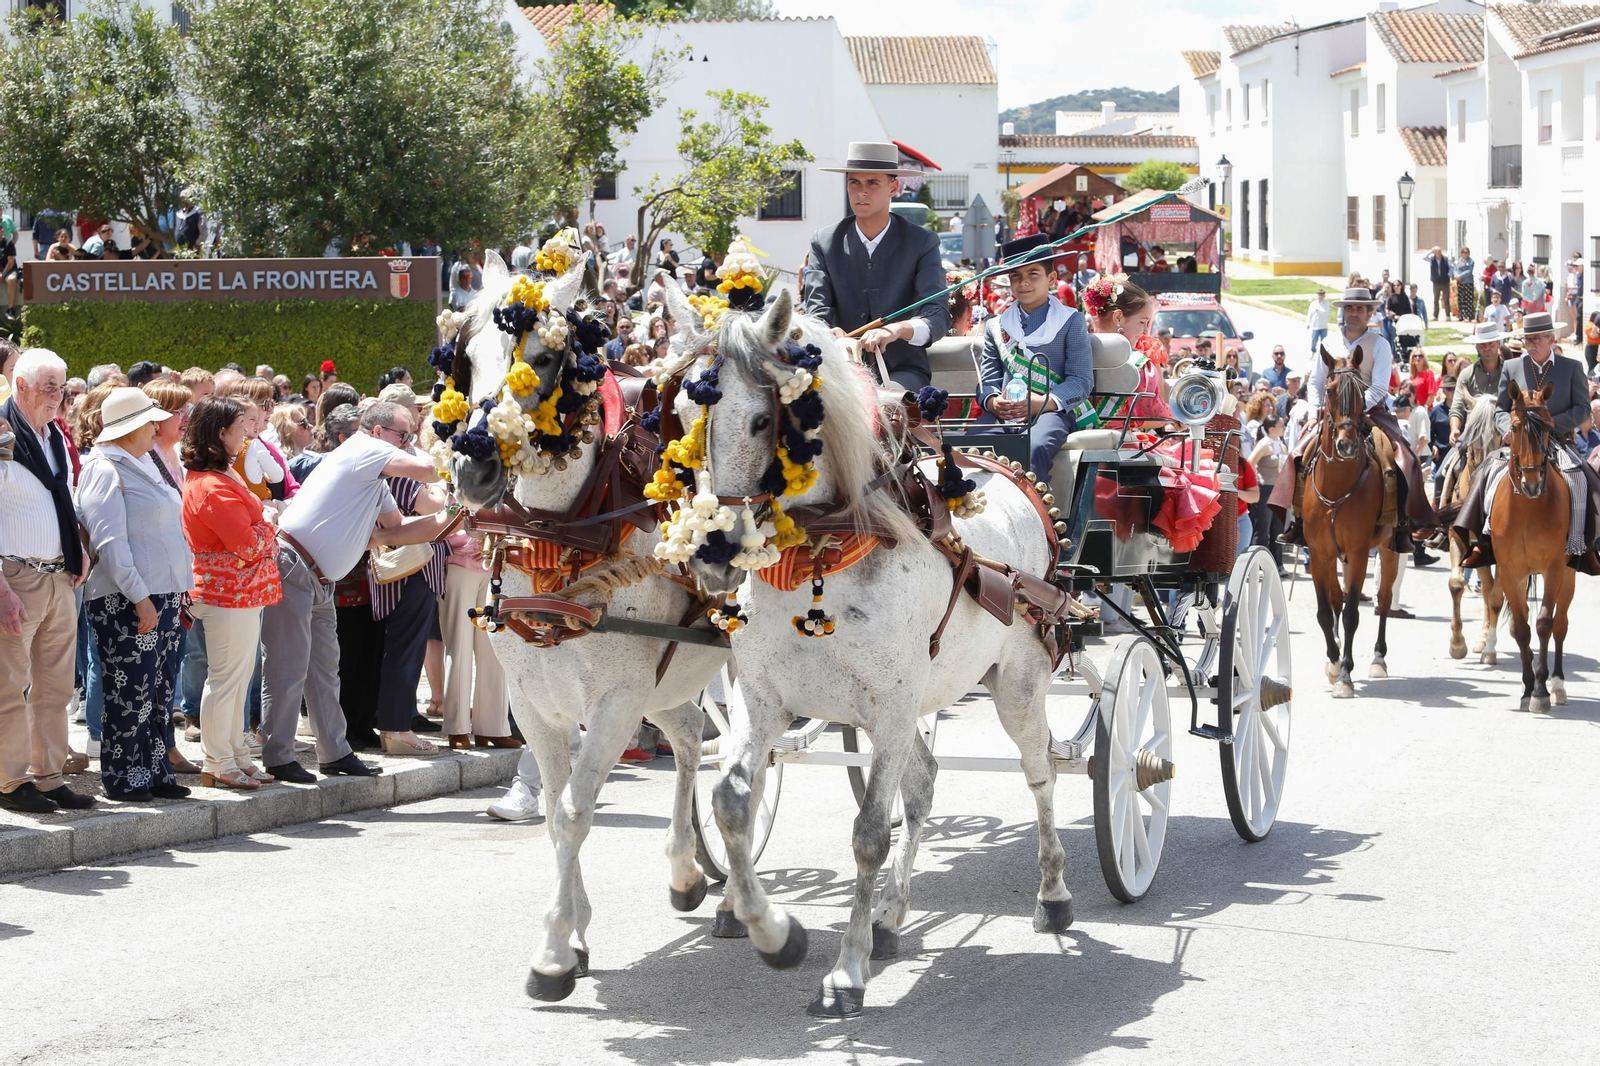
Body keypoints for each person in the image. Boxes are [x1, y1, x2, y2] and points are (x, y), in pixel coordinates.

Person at [259, 401, 456, 782]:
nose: (409, 442)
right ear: (378, 432)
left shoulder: (373, 475)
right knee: (288, 670)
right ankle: (278, 757)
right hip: (295, 567)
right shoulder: (364, 448)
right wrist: (470, 464)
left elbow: (396, 531)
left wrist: (459, 511)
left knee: (323, 672)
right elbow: (429, 469)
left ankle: (334, 752)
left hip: (315, 576)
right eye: (404, 435)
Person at [75, 387, 194, 801]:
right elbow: (110, 542)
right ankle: (125, 777)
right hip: (126, 599)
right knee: (131, 693)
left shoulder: (144, 461)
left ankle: (156, 771)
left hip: (164, 593)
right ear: (133, 427)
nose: (159, 426)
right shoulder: (104, 467)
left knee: (159, 691)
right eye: (151, 420)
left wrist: (182, 588)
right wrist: (140, 597)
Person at [0, 351, 97, 812]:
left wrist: (81, 546)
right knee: (9, 685)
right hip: (15, 577)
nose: (58, 396)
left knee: (54, 687)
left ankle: (48, 775)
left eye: (60, 386)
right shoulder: (2, 431)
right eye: (48, 387)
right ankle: (9, 781)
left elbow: (67, 495)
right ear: (19, 386)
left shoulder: (54, 435)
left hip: (59, 575)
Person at [1274, 287, 1438, 548]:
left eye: (1360, 308)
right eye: (1349, 308)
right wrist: (1318, 410)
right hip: (1331, 415)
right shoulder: (1327, 342)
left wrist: (1356, 409)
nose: (1354, 312)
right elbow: (1316, 382)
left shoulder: (1380, 344)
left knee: (1403, 456)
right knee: (1298, 455)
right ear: (1343, 311)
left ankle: (1403, 523)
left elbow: (1380, 385)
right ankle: (1298, 520)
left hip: (1371, 412)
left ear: (1369, 312)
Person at [182, 398, 284, 791]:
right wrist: (270, 521)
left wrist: (262, 522)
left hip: (237, 593)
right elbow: (246, 545)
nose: (246, 433)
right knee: (227, 680)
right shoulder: (211, 485)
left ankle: (235, 755)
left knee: (237, 679)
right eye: (240, 426)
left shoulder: (217, 477)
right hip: (227, 594)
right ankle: (218, 760)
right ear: (220, 433)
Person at [1457, 312, 1600, 574]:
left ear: (1550, 338)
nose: (1531, 344)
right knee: (1484, 474)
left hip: (1557, 440)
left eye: (1536, 339)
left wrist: (1556, 422)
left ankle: (1584, 544)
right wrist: (1506, 429)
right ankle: (1483, 539)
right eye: (1527, 340)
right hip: (1520, 443)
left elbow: (1582, 408)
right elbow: (1500, 409)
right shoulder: (1512, 367)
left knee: (1583, 478)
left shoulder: (1571, 367)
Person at [801, 140, 951, 390]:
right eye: (854, 183)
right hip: (839, 370)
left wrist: (897, 330)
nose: (861, 192)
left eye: (872, 183)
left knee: (886, 408)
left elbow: (937, 313)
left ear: (893, 187)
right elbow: (816, 310)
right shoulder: (823, 242)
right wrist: (828, 333)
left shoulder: (922, 242)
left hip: (902, 370)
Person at [972, 234, 1093, 479]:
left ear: (1051, 278)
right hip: (1003, 413)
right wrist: (994, 402)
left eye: (1033, 274)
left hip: (1051, 412)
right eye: (1016, 276)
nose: (1023, 283)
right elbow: (988, 379)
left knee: (1034, 447)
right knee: (975, 446)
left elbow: (1080, 381)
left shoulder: (1071, 321)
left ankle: (1037, 514)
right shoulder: (996, 326)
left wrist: (1040, 403)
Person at [1449, 322, 1510, 445]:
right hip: (1474, 434)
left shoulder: (1511, 372)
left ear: (1499, 344)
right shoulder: (1466, 374)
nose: (1486, 347)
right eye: (1482, 344)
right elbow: (1457, 408)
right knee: (1448, 463)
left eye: (1491, 343)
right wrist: (1454, 429)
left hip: (1505, 435)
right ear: (1476, 346)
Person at [1249, 415, 1288, 573]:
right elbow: (1250, 462)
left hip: (1278, 490)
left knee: (1277, 529)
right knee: (1263, 528)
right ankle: (1258, 564)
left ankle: (1277, 563)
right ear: (1271, 428)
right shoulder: (1264, 444)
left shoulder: (1281, 445)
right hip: (1265, 488)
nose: (1283, 427)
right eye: (1280, 425)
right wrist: (1256, 480)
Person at [1425, 246, 1451, 320]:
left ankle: (1448, 315)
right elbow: (1424, 257)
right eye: (1437, 252)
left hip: (1445, 282)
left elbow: (1451, 266)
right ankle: (1435, 316)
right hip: (1436, 282)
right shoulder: (1432, 259)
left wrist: (1449, 274)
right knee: (1436, 299)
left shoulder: (1446, 259)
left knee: (1446, 299)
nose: (1439, 254)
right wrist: (1430, 251)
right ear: (1434, 253)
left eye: (1440, 252)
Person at [1453, 246, 1476, 321]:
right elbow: (1455, 269)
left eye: (1466, 252)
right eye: (1463, 252)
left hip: (1468, 282)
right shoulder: (1459, 261)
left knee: (1468, 299)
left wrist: (1460, 276)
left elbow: (1469, 271)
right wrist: (1456, 275)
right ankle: (1461, 315)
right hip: (1460, 283)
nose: (1465, 254)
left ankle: (1468, 316)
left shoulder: (1471, 261)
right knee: (1461, 299)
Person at [1305, 288, 1331, 353]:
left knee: (1324, 341)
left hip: (1323, 326)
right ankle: (1313, 351)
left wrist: (1320, 310)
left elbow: (1327, 312)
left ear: (1324, 296)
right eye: (1319, 295)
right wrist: (1308, 323)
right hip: (1315, 326)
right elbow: (1309, 314)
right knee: (1314, 339)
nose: (1320, 297)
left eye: (1322, 295)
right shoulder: (1313, 303)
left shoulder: (1326, 304)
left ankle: (1323, 353)